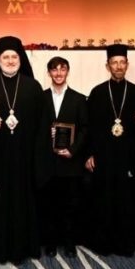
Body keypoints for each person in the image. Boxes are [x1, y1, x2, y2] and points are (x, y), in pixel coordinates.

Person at [0, 36, 43, 264]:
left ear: (21, 59)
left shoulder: (33, 87)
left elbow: (42, 123)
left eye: (14, 57)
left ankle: (23, 247)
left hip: (25, 157)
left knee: (24, 201)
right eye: (6, 57)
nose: (11, 61)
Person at [85, 44, 135, 256]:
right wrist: (89, 153)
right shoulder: (98, 92)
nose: (118, 66)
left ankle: (125, 244)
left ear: (127, 65)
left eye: (122, 62)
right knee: (104, 199)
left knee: (126, 200)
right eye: (114, 63)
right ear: (107, 66)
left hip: (127, 155)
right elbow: (89, 127)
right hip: (104, 155)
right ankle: (103, 244)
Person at [36, 56, 88, 258]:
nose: (58, 73)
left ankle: (69, 243)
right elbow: (34, 128)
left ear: (68, 71)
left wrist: (72, 150)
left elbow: (84, 129)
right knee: (49, 204)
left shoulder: (79, 99)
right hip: (48, 162)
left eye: (62, 69)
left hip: (70, 162)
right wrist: (45, 134)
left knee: (70, 205)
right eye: (54, 69)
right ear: (49, 72)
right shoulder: (40, 98)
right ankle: (50, 243)